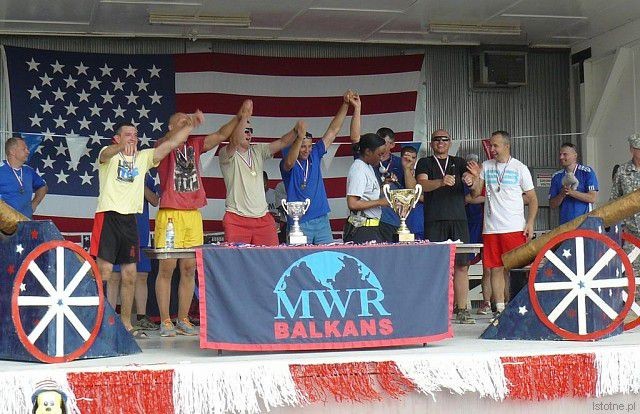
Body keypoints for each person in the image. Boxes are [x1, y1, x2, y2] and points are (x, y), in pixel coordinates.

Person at [90, 114, 201, 336]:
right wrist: (121, 147)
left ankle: (126, 325)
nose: (133, 138)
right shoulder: (108, 154)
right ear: (117, 138)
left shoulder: (143, 157)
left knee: (130, 275)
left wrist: (189, 126)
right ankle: (97, 322)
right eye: (128, 135)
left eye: (135, 135)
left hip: (130, 220)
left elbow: (170, 144)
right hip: (108, 217)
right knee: (105, 272)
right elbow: (106, 154)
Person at [154, 101, 250, 337]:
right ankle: (165, 320)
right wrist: (190, 123)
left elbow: (220, 135)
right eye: (181, 121)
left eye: (187, 120)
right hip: (171, 213)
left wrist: (239, 117)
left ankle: (183, 318)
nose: (186, 123)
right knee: (167, 268)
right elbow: (171, 140)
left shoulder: (195, 144)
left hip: (193, 214)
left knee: (189, 268)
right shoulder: (162, 144)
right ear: (170, 126)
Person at [466, 130, 538, 317]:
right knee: (495, 268)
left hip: (514, 227)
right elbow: (476, 193)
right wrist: (474, 178)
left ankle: (519, 306)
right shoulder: (486, 166)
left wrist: (530, 222)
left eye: (495, 145)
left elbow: (533, 198)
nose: (492, 149)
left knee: (516, 269)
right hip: (491, 228)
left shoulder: (520, 168)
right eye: (491, 145)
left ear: (507, 146)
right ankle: (499, 309)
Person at [410, 129, 475, 324]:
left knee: (462, 265)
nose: (440, 142)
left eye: (444, 139)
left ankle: (462, 309)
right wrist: (440, 182)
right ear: (431, 143)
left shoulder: (459, 162)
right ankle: (437, 310)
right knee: (437, 266)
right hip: (434, 220)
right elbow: (421, 185)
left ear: (450, 142)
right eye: (437, 139)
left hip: (458, 219)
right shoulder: (425, 162)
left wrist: (471, 179)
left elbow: (472, 184)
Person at [219, 101, 302, 245]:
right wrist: (244, 116)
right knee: (236, 258)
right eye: (245, 130)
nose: (249, 134)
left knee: (271, 255)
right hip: (237, 218)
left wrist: (295, 131)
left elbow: (282, 142)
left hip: (263, 218)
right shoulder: (226, 154)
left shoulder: (258, 151)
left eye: (250, 130)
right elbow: (234, 141)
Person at [280, 90, 352, 244]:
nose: (307, 150)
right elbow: (289, 163)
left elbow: (333, 131)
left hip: (321, 218)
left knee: (326, 256)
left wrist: (345, 104)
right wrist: (299, 137)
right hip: (300, 221)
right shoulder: (288, 159)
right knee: (301, 258)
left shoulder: (315, 154)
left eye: (309, 146)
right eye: (302, 146)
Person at [107, 172, 159, 331]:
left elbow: (155, 201)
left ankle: (141, 317)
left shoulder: (146, 175)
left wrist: (140, 182)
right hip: (119, 229)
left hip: (141, 232)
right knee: (115, 277)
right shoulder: (115, 169)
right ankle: (110, 318)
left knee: (142, 276)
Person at [343, 133, 389, 243]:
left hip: (371, 227)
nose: (381, 158)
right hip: (361, 229)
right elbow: (353, 204)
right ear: (368, 151)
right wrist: (380, 202)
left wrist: (384, 186)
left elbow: (368, 194)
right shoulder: (359, 169)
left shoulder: (368, 166)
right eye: (379, 154)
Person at [464, 154, 492, 315]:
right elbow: (467, 198)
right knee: (464, 264)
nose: (472, 167)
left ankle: (487, 302)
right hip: (470, 224)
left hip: (489, 224)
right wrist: (487, 198)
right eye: (469, 165)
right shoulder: (465, 179)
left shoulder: (486, 179)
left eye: (475, 164)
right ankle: (460, 304)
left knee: (489, 266)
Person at [611, 133, 640, 287]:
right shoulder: (622, 171)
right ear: (632, 150)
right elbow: (614, 201)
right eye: (638, 148)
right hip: (631, 232)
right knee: (630, 273)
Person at [549, 142, 598, 225]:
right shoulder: (556, 176)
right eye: (560, 154)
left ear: (575, 156)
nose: (561, 157)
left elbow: (592, 198)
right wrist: (561, 194)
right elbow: (552, 205)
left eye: (565, 154)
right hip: (565, 225)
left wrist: (571, 192)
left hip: (585, 224)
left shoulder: (587, 172)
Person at [0, 136, 47, 218]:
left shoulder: (29, 171)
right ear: (12, 152)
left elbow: (43, 187)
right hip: (4, 224)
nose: (28, 152)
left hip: (25, 222)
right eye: (24, 149)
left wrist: (34, 204)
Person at [375, 128, 405, 242]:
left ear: (392, 145)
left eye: (383, 143)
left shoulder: (401, 163)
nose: (379, 145)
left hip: (392, 218)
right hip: (371, 217)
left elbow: (409, 190)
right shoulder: (369, 161)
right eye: (377, 142)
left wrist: (407, 170)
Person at [402, 146, 424, 240]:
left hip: (419, 219)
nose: (410, 160)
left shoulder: (422, 174)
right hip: (400, 219)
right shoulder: (395, 173)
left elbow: (418, 194)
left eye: (413, 158)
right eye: (407, 158)